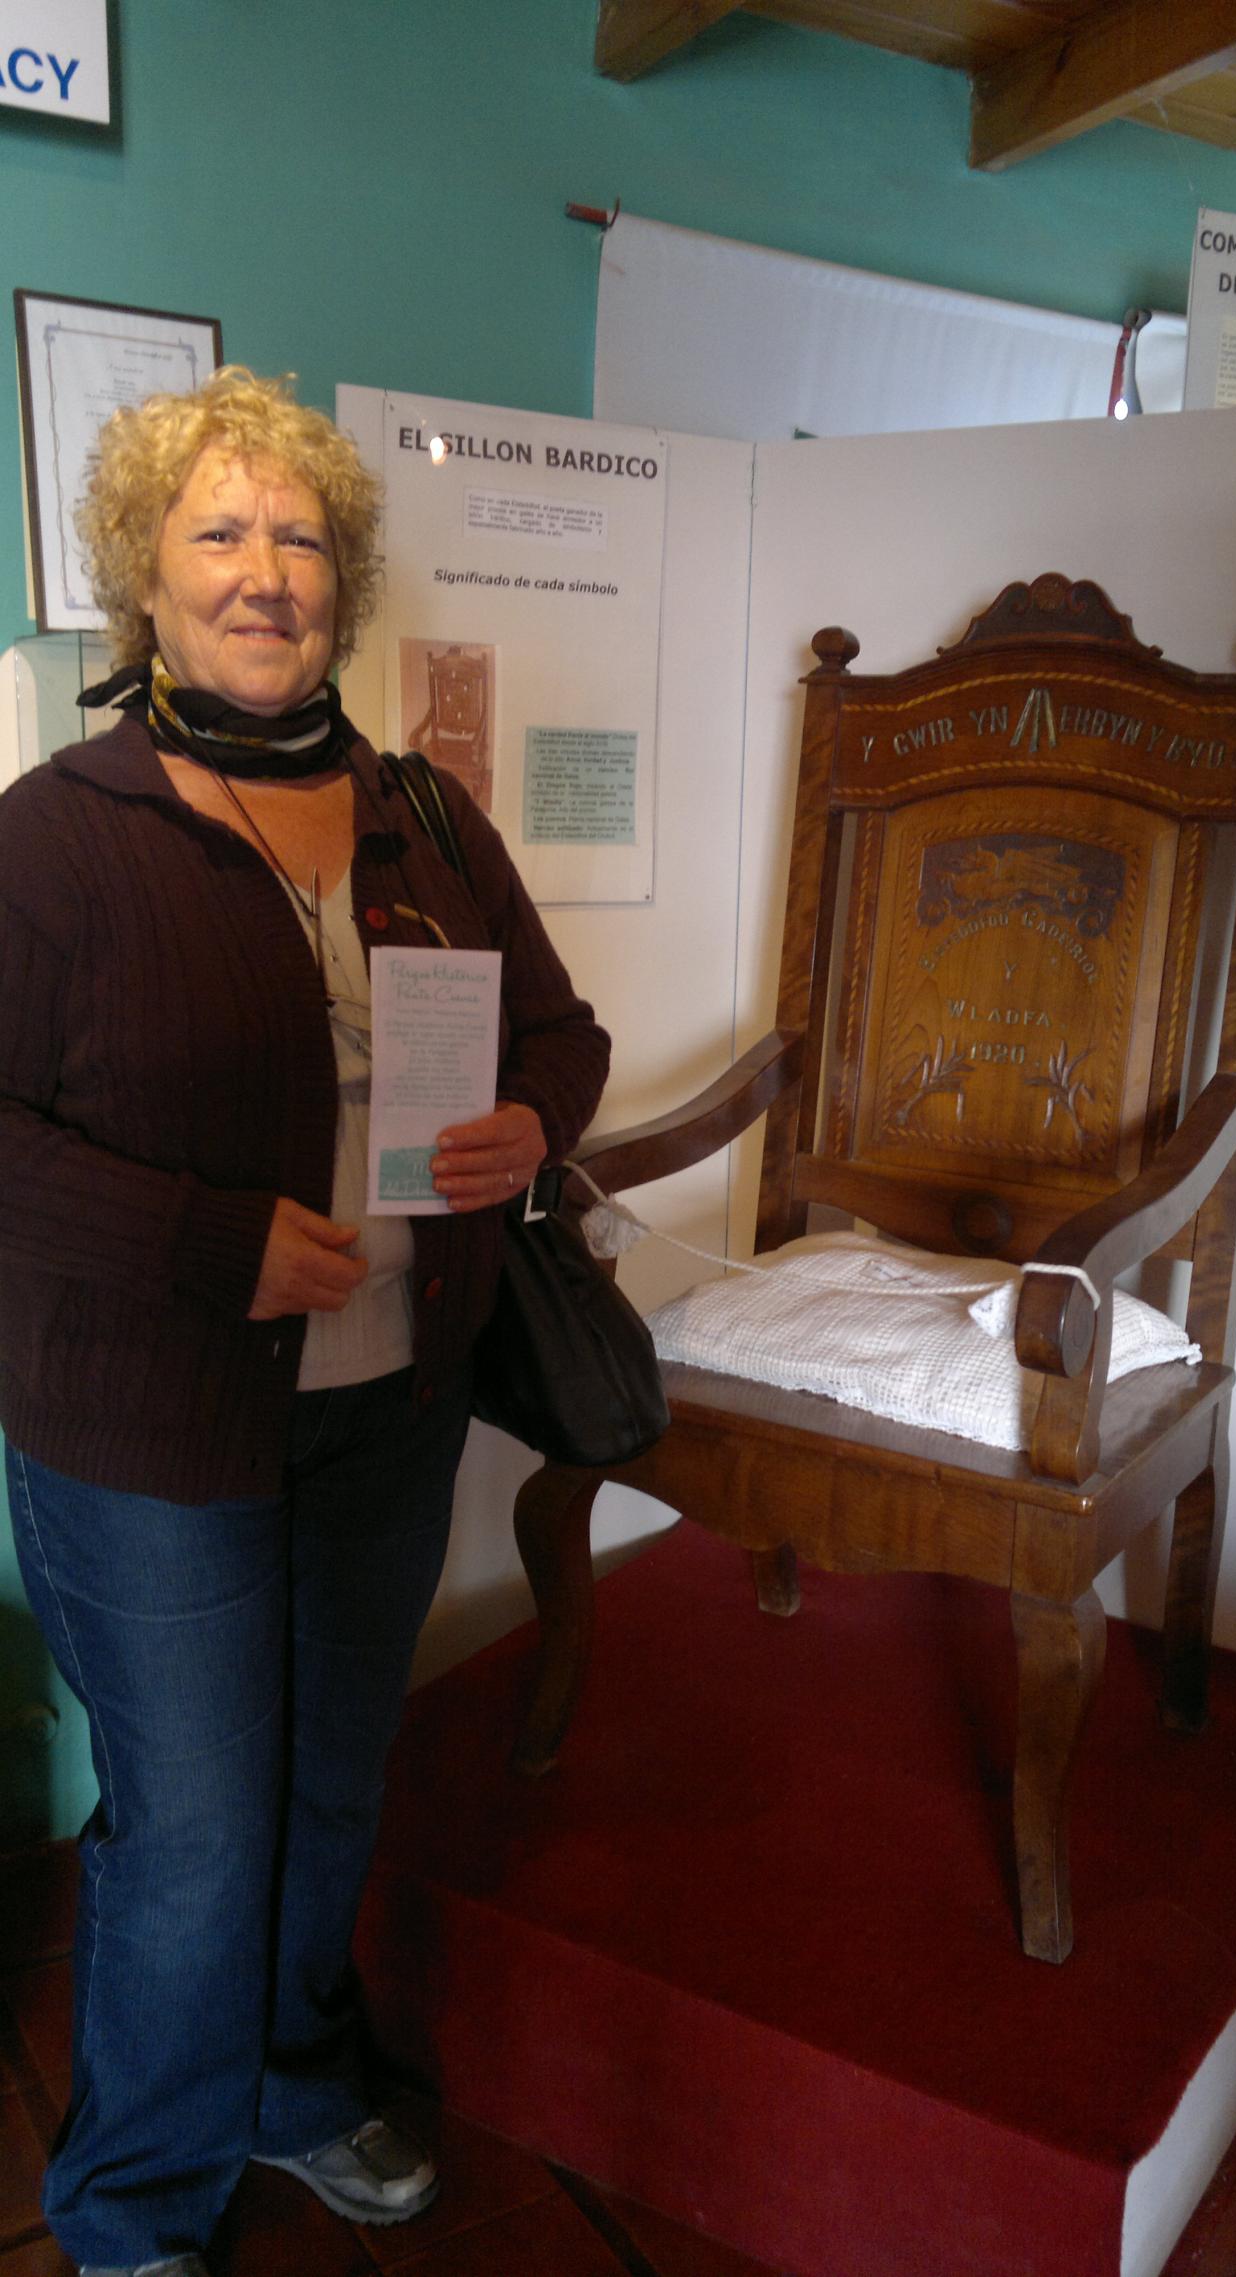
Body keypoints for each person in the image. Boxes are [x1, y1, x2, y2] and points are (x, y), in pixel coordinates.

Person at [0, 367, 610, 2277]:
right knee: (190, 1829)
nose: (265, 571)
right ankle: (134, 2199)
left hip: (388, 1409)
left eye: (300, 537)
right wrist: (208, 1243)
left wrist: (532, 1123)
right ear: (145, 579)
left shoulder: (424, 812)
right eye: (219, 533)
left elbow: (563, 1035)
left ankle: (287, 2080)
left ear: (342, 583)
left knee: (334, 1774)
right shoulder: (56, 835)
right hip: (154, 1431)